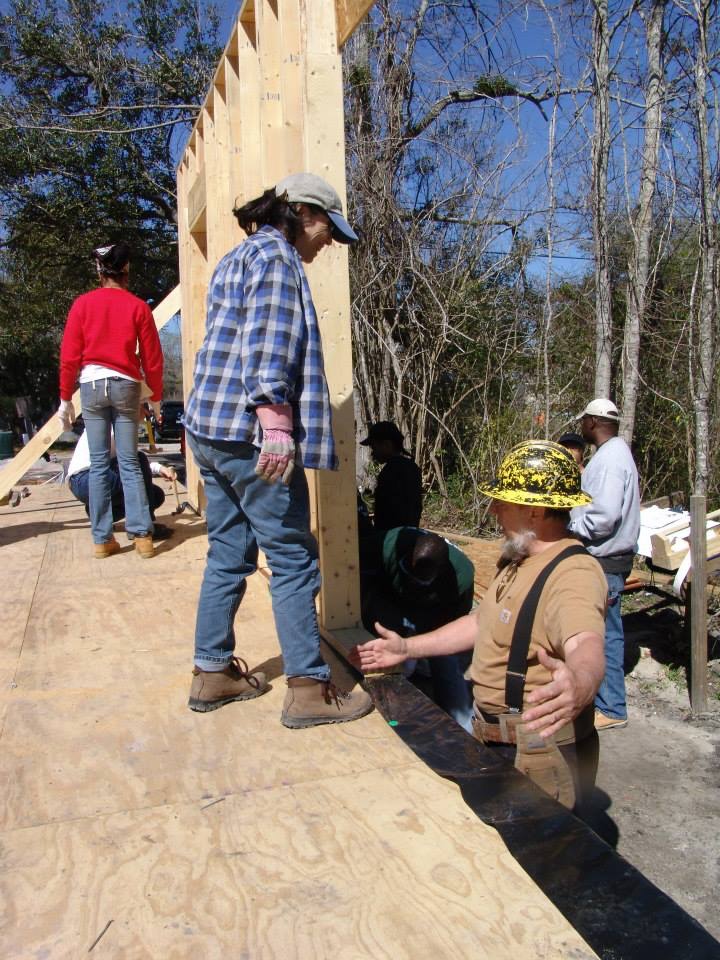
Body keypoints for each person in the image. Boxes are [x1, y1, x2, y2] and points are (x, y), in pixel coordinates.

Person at [183, 171, 373, 728]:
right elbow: (268, 346)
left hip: (211, 431)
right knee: (292, 559)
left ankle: (212, 671)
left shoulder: (239, 258)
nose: (327, 244)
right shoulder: (278, 261)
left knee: (228, 552)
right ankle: (310, 690)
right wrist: (277, 425)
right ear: (305, 214)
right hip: (250, 436)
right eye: (327, 232)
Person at [352, 441, 607, 814]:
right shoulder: (521, 559)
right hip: (500, 743)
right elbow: (479, 623)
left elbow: (585, 642)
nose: (492, 510)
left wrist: (582, 682)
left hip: (537, 753)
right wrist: (406, 648)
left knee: (538, 864)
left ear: (534, 511)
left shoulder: (573, 574)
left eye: (502, 503)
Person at [58, 242, 164, 559]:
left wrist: (65, 398)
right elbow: (153, 358)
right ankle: (143, 536)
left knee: (100, 463)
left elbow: (68, 357)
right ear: (127, 270)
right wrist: (156, 396)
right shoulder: (138, 307)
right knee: (130, 462)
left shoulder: (82, 305)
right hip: (127, 386)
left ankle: (103, 540)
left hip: (91, 385)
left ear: (99, 270)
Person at [569, 398, 640, 732]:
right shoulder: (612, 455)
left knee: (605, 634)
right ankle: (601, 698)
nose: (582, 426)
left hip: (605, 560)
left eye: (584, 421)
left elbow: (606, 516)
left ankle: (611, 707)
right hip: (605, 558)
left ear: (594, 423)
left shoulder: (611, 460)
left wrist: (572, 529)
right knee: (601, 631)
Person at [361, 527, 476, 730]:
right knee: (390, 656)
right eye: (410, 575)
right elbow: (356, 577)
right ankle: (389, 714)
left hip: (433, 610)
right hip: (389, 598)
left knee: (446, 661)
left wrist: (419, 643)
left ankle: (463, 727)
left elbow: (453, 626)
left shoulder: (460, 578)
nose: (413, 584)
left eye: (421, 581)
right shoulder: (387, 545)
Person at [67, 430, 174, 540]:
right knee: (139, 459)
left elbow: (129, 461)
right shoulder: (117, 424)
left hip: (79, 482)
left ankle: (97, 512)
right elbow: (133, 462)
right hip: (87, 479)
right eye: (145, 413)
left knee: (156, 494)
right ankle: (144, 528)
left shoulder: (102, 421)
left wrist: (159, 468)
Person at [360, 421, 422, 532]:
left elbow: (387, 513)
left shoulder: (389, 472)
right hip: (411, 534)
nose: (372, 453)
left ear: (387, 445)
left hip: (391, 537)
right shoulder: (413, 468)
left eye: (374, 447)